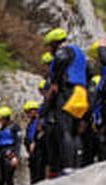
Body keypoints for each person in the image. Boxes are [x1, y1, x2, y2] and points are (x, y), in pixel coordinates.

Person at [43, 28, 89, 174]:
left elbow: (61, 60)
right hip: (81, 92)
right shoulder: (79, 52)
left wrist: (55, 82)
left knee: (65, 130)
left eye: (50, 45)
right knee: (75, 131)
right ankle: (77, 165)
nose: (49, 49)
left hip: (68, 91)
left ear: (55, 43)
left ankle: (68, 167)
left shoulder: (64, 51)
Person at [0, 106, 21, 185]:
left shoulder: (15, 127)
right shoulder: (1, 130)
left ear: (5, 118)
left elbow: (18, 142)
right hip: (0, 154)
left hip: (9, 153)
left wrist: (16, 157)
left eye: (0, 119)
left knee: (9, 178)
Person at [23, 100, 47, 183]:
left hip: (40, 149)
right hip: (33, 152)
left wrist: (35, 142)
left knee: (39, 171)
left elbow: (41, 134)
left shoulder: (40, 121)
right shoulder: (31, 124)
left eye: (28, 112)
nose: (27, 114)